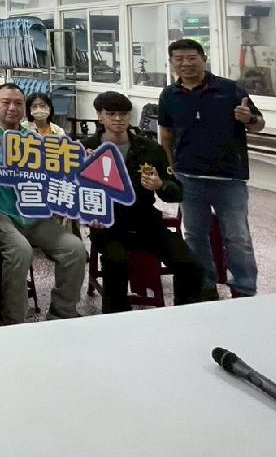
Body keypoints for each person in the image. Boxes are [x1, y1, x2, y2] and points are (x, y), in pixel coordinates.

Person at [0, 83, 86, 324]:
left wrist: (83, 163)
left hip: (32, 214)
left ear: (25, 109)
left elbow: (51, 177)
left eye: (18, 103)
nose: (12, 108)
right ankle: (15, 321)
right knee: (21, 250)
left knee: (74, 249)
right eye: (6, 102)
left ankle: (62, 313)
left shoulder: (34, 139)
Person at [158, 39, 264, 299]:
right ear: (171, 62)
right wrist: (170, 169)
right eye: (179, 59)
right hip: (189, 177)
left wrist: (249, 118)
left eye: (191, 58)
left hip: (229, 177)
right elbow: (166, 134)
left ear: (203, 58)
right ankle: (204, 286)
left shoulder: (229, 89)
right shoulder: (169, 95)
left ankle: (244, 288)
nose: (185, 63)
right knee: (195, 235)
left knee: (237, 236)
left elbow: (259, 124)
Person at [83, 92, 204, 313]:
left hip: (146, 222)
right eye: (111, 114)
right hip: (108, 226)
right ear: (100, 116)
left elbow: (177, 193)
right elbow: (71, 192)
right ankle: (116, 320)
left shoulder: (150, 148)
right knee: (115, 264)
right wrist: (89, 216)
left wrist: (160, 185)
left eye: (123, 114)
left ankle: (185, 315)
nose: (118, 119)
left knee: (189, 264)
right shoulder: (84, 148)